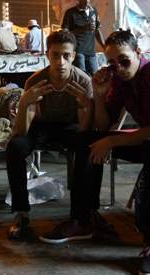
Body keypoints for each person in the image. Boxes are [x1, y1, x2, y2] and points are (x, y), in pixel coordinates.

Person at [41, 30, 150, 275]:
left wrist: (112, 141)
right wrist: (100, 96)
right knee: (86, 140)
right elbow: (103, 127)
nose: (119, 68)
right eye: (111, 63)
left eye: (124, 60)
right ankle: (84, 219)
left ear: (138, 53)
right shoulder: (119, 81)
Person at [6, 30, 93, 240]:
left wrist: (86, 106)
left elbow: (85, 129)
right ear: (48, 54)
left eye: (66, 55)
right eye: (55, 55)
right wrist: (26, 101)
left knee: (87, 146)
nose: (61, 62)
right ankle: (21, 213)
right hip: (42, 127)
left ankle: (78, 217)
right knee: (15, 147)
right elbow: (21, 131)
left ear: (73, 55)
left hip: (71, 128)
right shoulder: (36, 80)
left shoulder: (83, 81)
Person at [61, 0, 105, 75]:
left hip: (91, 52)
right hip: (77, 51)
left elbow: (97, 31)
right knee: (82, 76)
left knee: (94, 75)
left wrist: (105, 46)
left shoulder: (94, 11)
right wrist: (82, 29)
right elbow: (65, 34)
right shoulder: (70, 13)